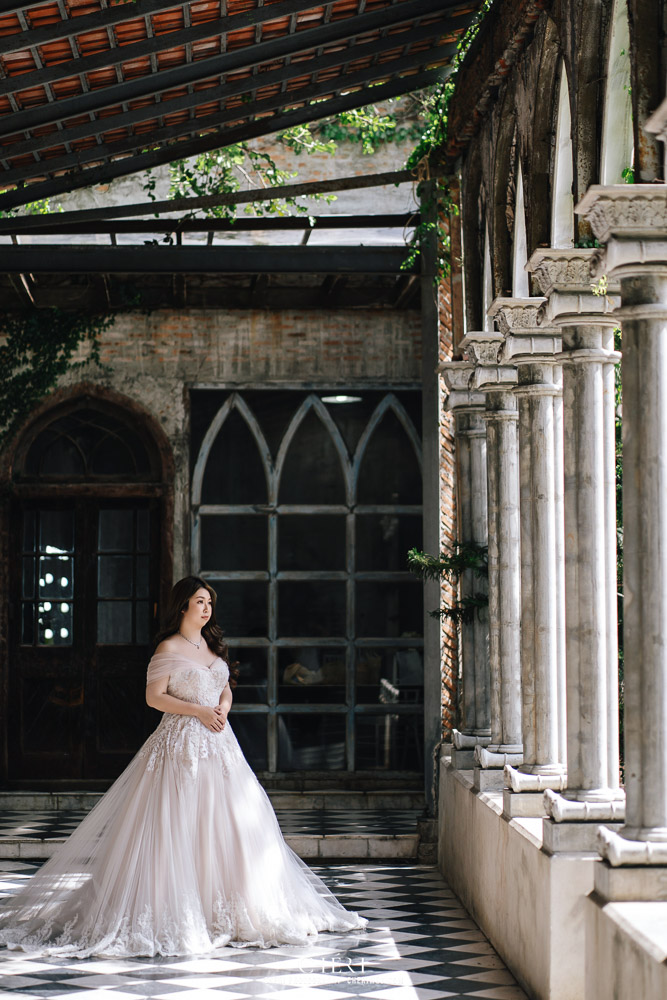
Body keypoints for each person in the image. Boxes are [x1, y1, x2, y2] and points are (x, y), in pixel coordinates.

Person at [0, 576, 368, 958]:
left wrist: (222, 707)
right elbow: (154, 697)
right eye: (199, 601)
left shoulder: (211, 645)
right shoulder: (169, 647)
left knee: (227, 825)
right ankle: (178, 909)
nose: (207, 608)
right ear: (182, 607)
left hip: (220, 745)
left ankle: (228, 907)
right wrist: (198, 711)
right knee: (177, 824)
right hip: (179, 747)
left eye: (210, 602)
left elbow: (223, 685)